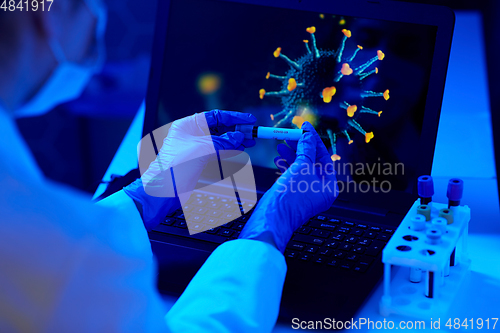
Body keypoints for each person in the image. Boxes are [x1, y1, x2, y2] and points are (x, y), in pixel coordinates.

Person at [0, 0, 338, 331]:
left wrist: (148, 194)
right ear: (50, 11)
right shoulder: (71, 261)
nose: (96, 17)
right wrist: (271, 222)